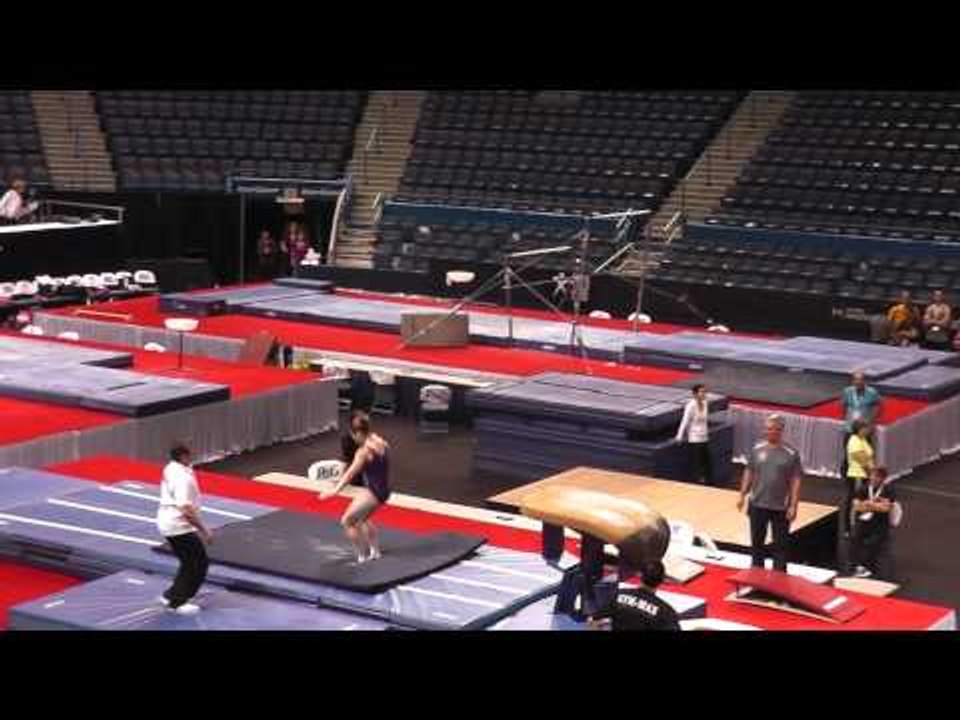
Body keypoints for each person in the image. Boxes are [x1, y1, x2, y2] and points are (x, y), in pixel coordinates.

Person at [319, 413, 391, 563]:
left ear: (358, 433)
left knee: (347, 521)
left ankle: (361, 557)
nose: (353, 439)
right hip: (384, 489)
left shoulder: (363, 452)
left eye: (353, 435)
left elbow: (350, 474)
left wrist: (334, 491)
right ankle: (375, 552)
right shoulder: (379, 440)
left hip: (374, 492)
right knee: (363, 518)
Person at [736, 414, 802, 572]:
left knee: (780, 547)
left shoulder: (791, 453)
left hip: (780, 507)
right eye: (767, 429)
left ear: (781, 430)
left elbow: (796, 481)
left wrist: (793, 505)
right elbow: (749, 471)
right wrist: (742, 494)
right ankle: (756, 576)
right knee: (757, 544)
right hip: (757, 504)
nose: (768, 432)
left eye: (772, 429)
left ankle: (779, 580)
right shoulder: (757, 449)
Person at [155, 443, 212, 614]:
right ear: (183, 457)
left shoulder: (171, 467)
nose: (192, 458)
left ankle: (172, 594)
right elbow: (185, 509)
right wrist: (204, 530)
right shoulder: (183, 478)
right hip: (178, 525)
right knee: (198, 563)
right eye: (189, 456)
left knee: (189, 562)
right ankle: (177, 602)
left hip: (168, 522)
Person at [588, 558, 680, 631]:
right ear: (661, 580)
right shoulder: (666, 612)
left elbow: (593, 621)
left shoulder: (619, 595)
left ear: (640, 576)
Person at [850, 466, 897, 580]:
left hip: (880, 523)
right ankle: (859, 566)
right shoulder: (863, 488)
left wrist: (868, 504)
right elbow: (857, 507)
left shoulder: (889, 490)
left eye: (877, 476)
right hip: (864, 520)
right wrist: (876, 505)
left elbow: (886, 509)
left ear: (882, 478)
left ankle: (867, 566)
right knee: (855, 538)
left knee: (873, 542)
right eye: (872, 475)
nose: (873, 478)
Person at [839, 371, 882, 478]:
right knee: (848, 452)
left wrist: (871, 420)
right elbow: (843, 406)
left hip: (864, 429)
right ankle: (847, 475)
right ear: (852, 381)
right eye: (856, 380)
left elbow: (878, 405)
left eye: (860, 380)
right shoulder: (847, 391)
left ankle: (867, 474)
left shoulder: (872, 392)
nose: (858, 382)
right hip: (850, 428)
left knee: (866, 452)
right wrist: (847, 419)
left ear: (865, 381)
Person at [676, 383, 713, 485]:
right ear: (695, 394)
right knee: (697, 463)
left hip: (704, 437)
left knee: (706, 461)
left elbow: (705, 421)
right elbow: (685, 421)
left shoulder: (705, 403)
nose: (704, 393)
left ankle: (708, 482)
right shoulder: (690, 406)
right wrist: (679, 436)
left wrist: (706, 434)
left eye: (705, 392)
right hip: (694, 438)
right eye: (702, 392)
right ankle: (698, 483)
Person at [844, 418, 875, 537]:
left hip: (864, 475)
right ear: (860, 429)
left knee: (864, 501)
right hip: (858, 475)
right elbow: (863, 461)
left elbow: (869, 458)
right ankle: (850, 528)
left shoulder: (862, 439)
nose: (868, 430)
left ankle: (861, 527)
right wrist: (872, 473)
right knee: (855, 501)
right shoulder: (854, 441)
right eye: (866, 428)